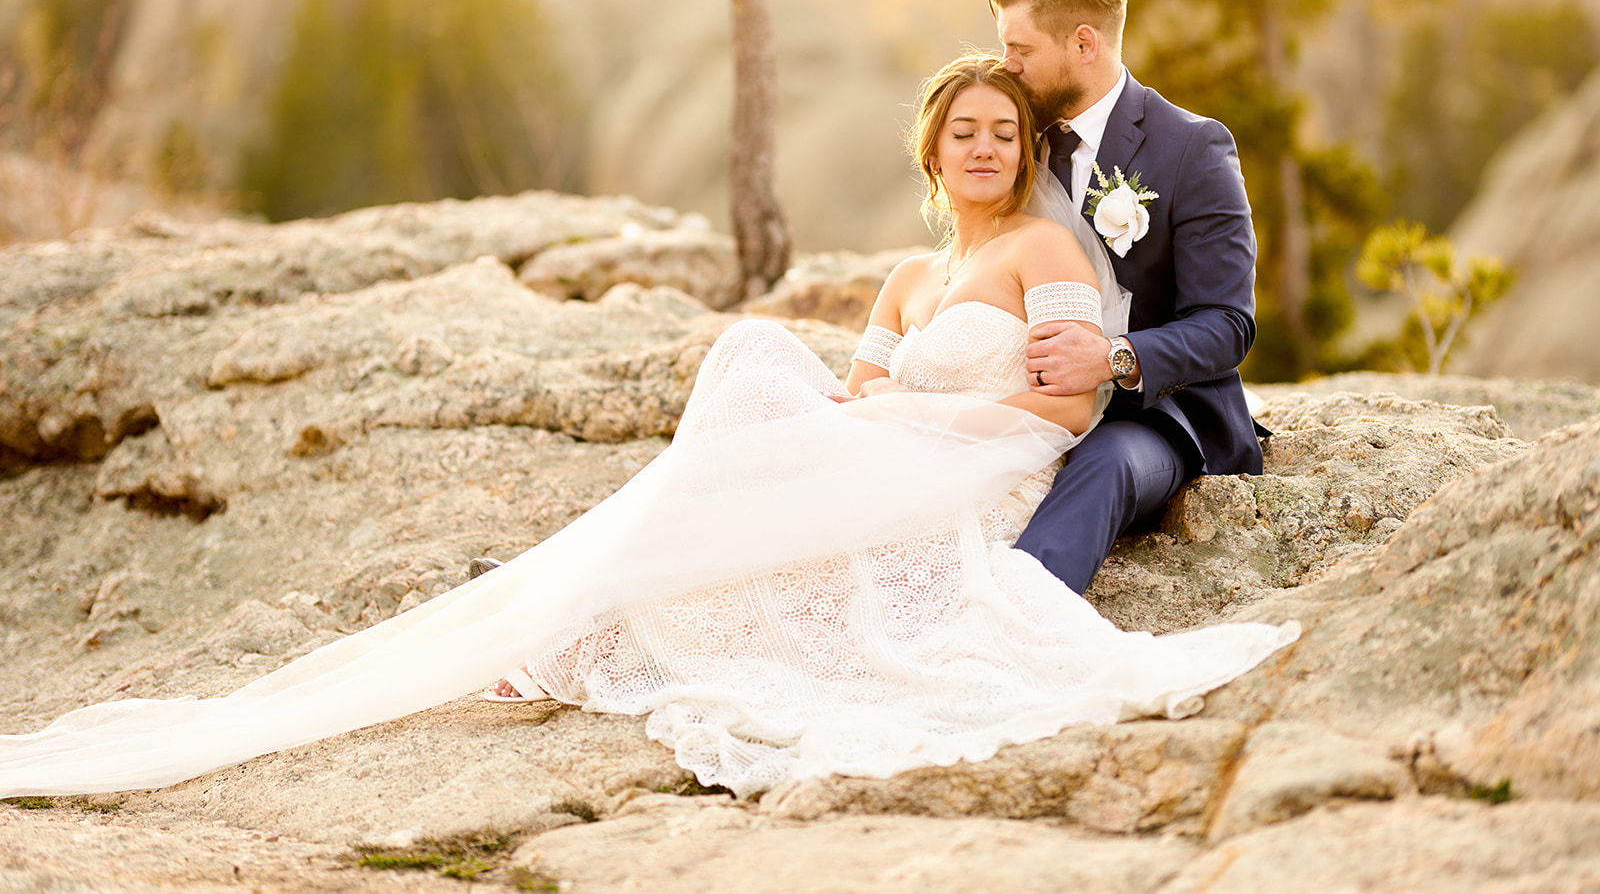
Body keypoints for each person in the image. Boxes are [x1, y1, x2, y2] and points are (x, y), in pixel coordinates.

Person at [0, 56, 1296, 801]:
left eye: (1001, 131)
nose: (979, 145)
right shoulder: (909, 278)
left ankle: (566, 625)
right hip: (893, 439)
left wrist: (920, 411)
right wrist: (870, 412)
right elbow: (854, 392)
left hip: (983, 454)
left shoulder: (1044, 246)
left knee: (751, 375)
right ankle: (582, 620)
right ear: (931, 147)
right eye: (961, 128)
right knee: (754, 355)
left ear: (1022, 153)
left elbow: (1067, 402)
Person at [989, 0, 1268, 594]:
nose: (1007, 65)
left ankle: (1014, 620)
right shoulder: (1011, 135)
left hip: (1154, 420)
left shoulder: (1192, 147)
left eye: (1020, 48)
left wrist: (1113, 357)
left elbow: (1228, 324)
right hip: (1032, 402)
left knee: (1103, 464)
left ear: (1083, 43)